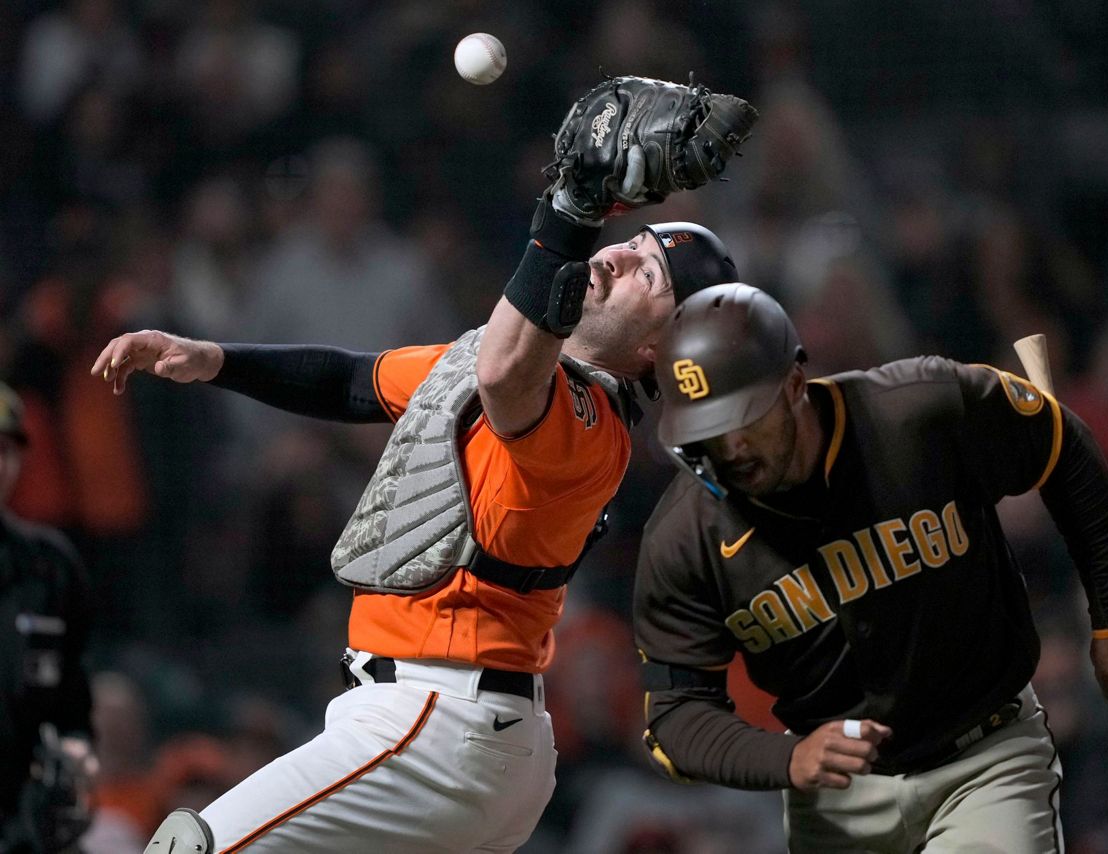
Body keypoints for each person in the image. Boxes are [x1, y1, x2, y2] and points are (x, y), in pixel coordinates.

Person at [92, 76, 753, 852]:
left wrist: (567, 209)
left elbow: (508, 373)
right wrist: (214, 358)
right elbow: (355, 380)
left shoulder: (589, 423)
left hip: (439, 726)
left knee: (189, 846)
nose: (617, 261)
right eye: (633, 241)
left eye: (649, 276)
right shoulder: (509, 363)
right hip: (457, 732)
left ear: (655, 350)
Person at [633, 283, 1108, 853]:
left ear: (794, 383)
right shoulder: (683, 538)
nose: (731, 446)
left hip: (983, 758)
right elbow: (674, 718)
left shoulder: (919, 409)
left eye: (744, 416)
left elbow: (1063, 447)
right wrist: (787, 757)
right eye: (707, 431)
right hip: (837, 797)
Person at [0, 382, 96, 853]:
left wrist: (78, 752)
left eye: (3, 449)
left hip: (25, 815)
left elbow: (73, 695)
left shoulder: (50, 565)